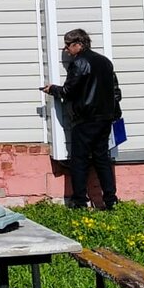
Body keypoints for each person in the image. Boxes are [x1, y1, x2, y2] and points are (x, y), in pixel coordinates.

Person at [41, 28, 121, 210]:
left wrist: (52, 89)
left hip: (85, 119)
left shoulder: (79, 63)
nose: (66, 49)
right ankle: (111, 200)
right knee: (102, 158)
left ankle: (79, 201)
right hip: (105, 118)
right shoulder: (105, 62)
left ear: (78, 44)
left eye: (68, 45)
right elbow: (116, 92)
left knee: (79, 160)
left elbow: (68, 91)